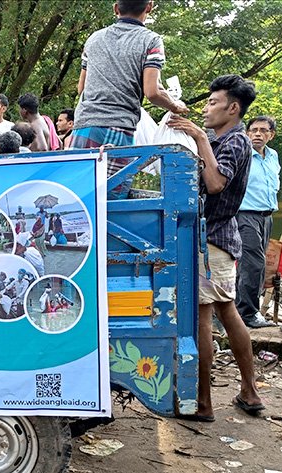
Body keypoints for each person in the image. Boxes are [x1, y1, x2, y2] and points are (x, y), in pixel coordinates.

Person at [166, 74, 263, 421]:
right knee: (227, 311)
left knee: (203, 318)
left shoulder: (235, 142)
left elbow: (216, 183)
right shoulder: (219, 139)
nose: (206, 108)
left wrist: (196, 137)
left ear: (233, 108)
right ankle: (249, 392)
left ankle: (204, 403)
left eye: (213, 102)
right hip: (217, 240)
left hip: (213, 241)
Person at [73, 0, 188, 197]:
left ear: (116, 8)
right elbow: (152, 92)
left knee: (81, 196)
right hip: (117, 126)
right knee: (111, 201)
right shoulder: (151, 40)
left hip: (83, 125)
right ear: (149, 7)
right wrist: (175, 106)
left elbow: (81, 88)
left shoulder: (93, 39)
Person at [233, 116, 280, 328]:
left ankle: (237, 311)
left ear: (272, 134)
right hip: (245, 214)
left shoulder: (273, 156)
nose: (257, 134)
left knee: (253, 266)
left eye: (263, 130)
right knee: (253, 265)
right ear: (247, 133)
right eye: (253, 130)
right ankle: (248, 314)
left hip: (266, 216)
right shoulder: (242, 154)